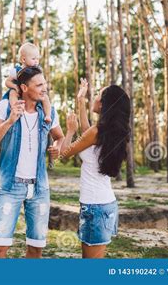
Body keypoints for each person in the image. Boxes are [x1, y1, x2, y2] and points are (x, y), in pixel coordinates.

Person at [0, 66, 64, 258]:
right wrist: (10, 121)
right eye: (39, 85)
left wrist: (57, 147)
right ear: (24, 88)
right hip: (11, 187)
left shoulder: (49, 112)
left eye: (45, 83)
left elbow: (59, 137)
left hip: (40, 189)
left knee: (36, 248)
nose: (44, 88)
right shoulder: (6, 106)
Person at [60, 79, 131, 258]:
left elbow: (64, 154)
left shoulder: (97, 132)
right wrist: (80, 100)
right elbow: (87, 132)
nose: (95, 97)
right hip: (102, 204)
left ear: (104, 104)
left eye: (98, 95)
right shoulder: (103, 132)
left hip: (95, 207)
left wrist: (69, 131)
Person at [5, 42, 52, 123]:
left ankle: (48, 115)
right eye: (33, 59)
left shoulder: (37, 71)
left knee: (46, 97)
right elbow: (7, 82)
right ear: (23, 59)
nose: (36, 61)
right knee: (12, 93)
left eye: (37, 59)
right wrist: (15, 87)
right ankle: (15, 109)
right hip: (18, 90)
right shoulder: (17, 70)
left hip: (31, 92)